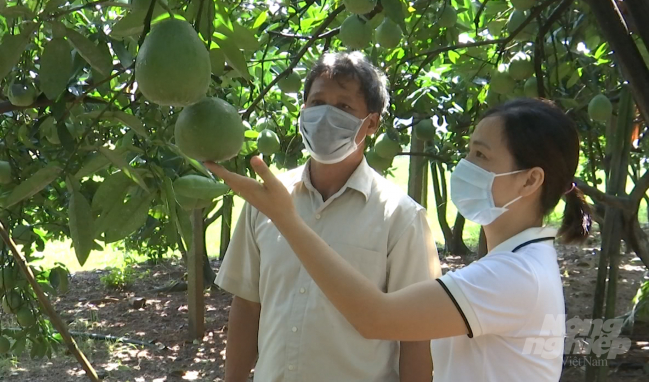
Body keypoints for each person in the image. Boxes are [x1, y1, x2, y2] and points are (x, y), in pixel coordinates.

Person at [207, 98, 593, 381]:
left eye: (481, 155)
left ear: (530, 179)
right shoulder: (514, 265)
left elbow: (377, 317)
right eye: (468, 151)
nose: (465, 167)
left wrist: (287, 221)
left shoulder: (514, 276)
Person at [214, 51, 441, 382]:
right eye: (317, 102)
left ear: (372, 123)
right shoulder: (267, 201)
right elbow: (247, 305)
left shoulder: (400, 217)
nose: (325, 116)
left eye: (344, 107)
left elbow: (416, 334)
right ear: (303, 110)